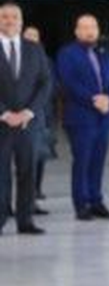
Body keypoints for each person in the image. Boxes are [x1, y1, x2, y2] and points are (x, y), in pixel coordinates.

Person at [56, 12, 109, 220]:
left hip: (104, 118)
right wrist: (95, 100)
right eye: (84, 27)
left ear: (98, 30)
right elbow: (68, 83)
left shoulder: (106, 52)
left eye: (92, 27)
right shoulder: (67, 53)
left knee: (98, 161)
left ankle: (96, 201)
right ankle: (81, 205)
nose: (89, 31)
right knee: (82, 161)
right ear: (77, 31)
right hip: (80, 117)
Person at [0, 1, 52, 235]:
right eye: (4, 17)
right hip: (2, 124)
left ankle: (25, 221)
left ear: (21, 21)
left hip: (29, 124)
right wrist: (5, 113)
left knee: (28, 172)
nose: (9, 20)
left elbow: (45, 83)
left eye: (14, 17)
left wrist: (29, 111)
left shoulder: (35, 49)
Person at [20, 24, 54, 209]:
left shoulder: (45, 60)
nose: (32, 39)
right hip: (16, 117)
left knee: (38, 159)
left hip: (40, 117)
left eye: (35, 36)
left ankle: (32, 198)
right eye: (28, 36)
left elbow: (50, 86)